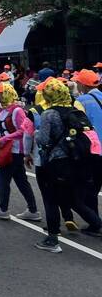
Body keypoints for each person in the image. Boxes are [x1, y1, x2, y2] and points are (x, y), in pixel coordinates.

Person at [34, 79, 102, 252]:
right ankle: (97, 224)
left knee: (51, 199)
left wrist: (35, 133)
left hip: (57, 162)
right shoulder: (75, 110)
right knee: (74, 199)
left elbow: (43, 139)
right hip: (78, 160)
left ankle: (52, 239)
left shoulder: (49, 114)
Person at [0, 83, 41, 221]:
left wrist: (5, 138)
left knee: (3, 178)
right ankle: (33, 210)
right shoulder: (2, 110)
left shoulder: (17, 111)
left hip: (15, 149)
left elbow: (24, 130)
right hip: (9, 149)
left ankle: (3, 209)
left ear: (5, 94)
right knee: (21, 180)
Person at [73, 69, 102, 216]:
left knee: (90, 189)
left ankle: (95, 223)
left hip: (93, 150)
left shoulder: (81, 101)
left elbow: (78, 127)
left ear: (82, 84)